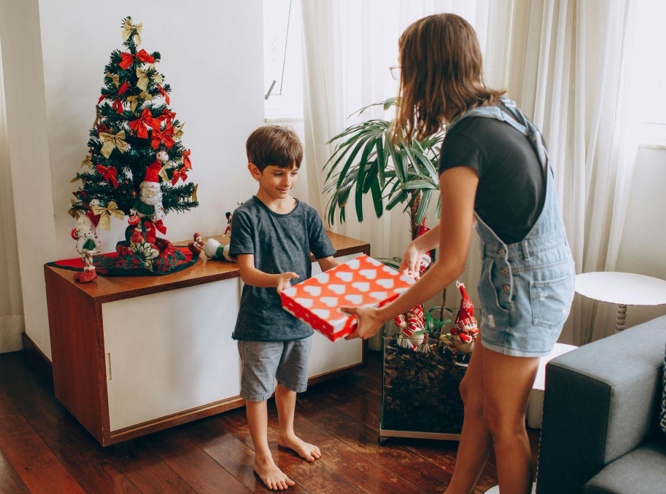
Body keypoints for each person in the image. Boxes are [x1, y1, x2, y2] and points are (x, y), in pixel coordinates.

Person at [342, 13, 575, 494]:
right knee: (473, 393)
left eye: (403, 68)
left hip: (523, 291)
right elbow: (477, 210)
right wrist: (418, 242)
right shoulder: (501, 113)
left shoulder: (465, 138)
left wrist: (381, 314)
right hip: (538, 276)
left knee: (505, 422)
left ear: (424, 71)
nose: (402, 80)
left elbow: (451, 265)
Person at [229, 125, 340, 491]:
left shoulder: (306, 214)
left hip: (299, 319)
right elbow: (246, 270)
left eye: (293, 172)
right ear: (254, 170)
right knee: (258, 391)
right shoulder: (247, 216)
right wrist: (275, 280)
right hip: (261, 322)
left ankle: (288, 435)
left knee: (289, 384)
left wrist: (364, 283)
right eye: (278, 173)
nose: (287, 181)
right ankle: (262, 456)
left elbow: (329, 264)